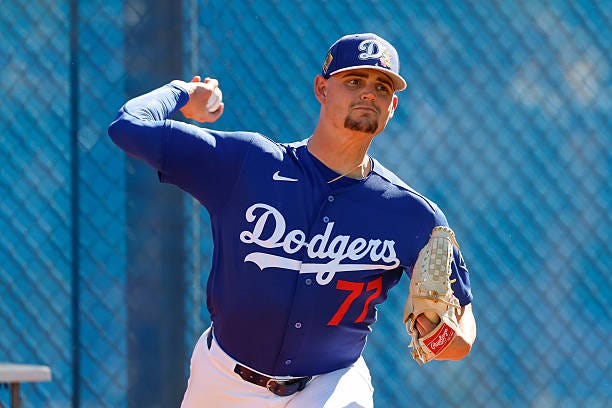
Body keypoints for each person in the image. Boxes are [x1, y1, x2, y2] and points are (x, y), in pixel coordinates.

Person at [108, 33, 476, 408]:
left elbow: (463, 330)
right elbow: (129, 126)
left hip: (333, 383)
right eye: (354, 81)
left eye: (382, 87)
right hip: (223, 377)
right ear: (321, 89)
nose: (369, 93)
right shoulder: (248, 164)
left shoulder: (413, 214)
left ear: (392, 105)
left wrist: (439, 336)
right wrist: (184, 92)